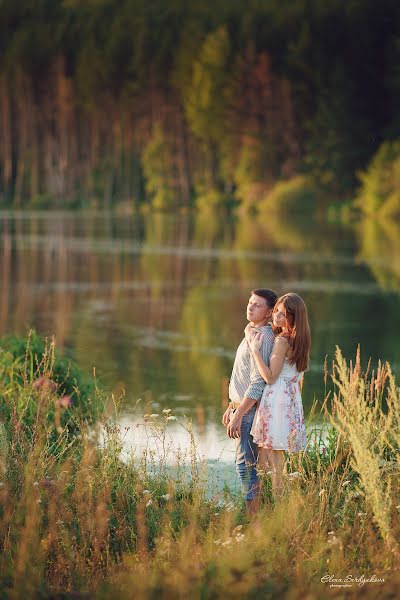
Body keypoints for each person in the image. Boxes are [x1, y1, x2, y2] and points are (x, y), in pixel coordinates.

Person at [245, 292, 310, 498]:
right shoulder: (299, 340)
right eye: (276, 313)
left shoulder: (282, 341)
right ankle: (268, 504)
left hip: (277, 399)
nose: (276, 317)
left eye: (282, 315)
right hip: (291, 397)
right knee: (268, 459)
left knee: (273, 462)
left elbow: (271, 377)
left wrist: (255, 351)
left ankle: (275, 507)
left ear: (292, 318)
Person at [222, 288, 277, 514]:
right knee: (247, 466)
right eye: (249, 302)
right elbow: (244, 373)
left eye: (257, 305)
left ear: (269, 312)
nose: (250, 307)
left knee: (246, 467)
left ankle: (254, 522)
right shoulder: (252, 332)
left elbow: (257, 384)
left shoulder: (262, 338)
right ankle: (256, 518)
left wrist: (239, 414)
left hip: (249, 412)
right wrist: (231, 405)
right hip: (240, 407)